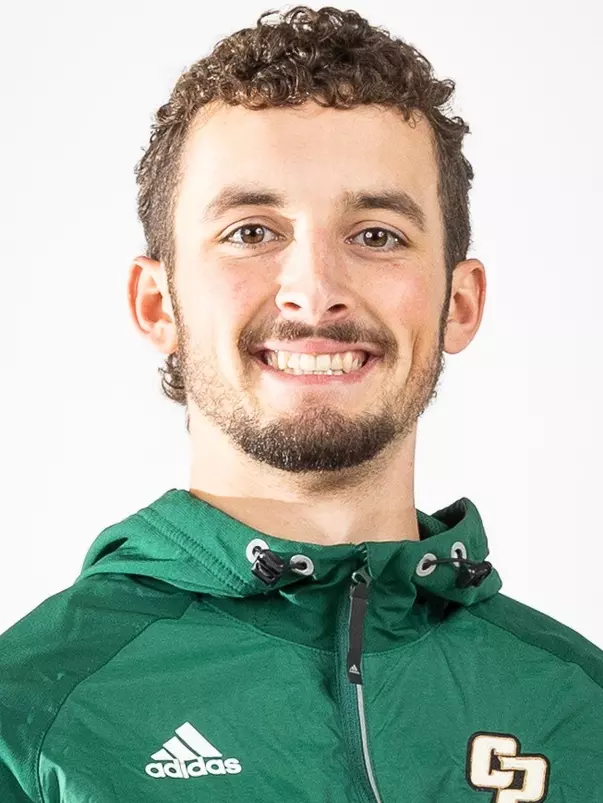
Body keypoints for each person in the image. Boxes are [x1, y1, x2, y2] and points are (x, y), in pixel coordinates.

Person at [1, 5, 602, 801]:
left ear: (458, 303)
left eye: (376, 234)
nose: (314, 291)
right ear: (157, 304)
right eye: (251, 232)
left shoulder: (580, 707)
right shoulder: (29, 715)